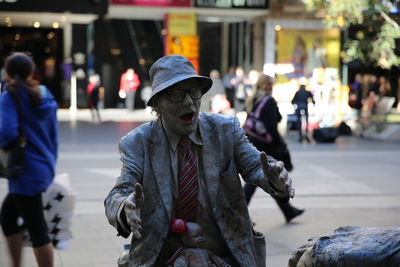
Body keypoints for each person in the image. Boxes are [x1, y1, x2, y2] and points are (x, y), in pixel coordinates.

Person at [104, 55, 295, 266]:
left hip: (226, 255)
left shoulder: (225, 130)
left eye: (193, 92)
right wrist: (124, 208)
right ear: (157, 104)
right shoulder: (138, 143)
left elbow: (256, 166)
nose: (188, 102)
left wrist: (275, 181)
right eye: (176, 94)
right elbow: (118, 195)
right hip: (161, 258)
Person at [0, 52, 58, 267]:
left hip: (24, 171)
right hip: (43, 166)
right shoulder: (45, 94)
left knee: (37, 228)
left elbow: (6, 134)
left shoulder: (10, 95)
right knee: (7, 216)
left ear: (8, 72)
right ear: (31, 71)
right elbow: (53, 136)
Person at [243, 74, 304, 223]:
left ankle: (288, 211)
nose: (271, 87)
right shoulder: (268, 100)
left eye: (272, 84)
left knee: (266, 178)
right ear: (263, 85)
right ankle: (239, 212)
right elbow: (272, 127)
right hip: (266, 146)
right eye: (269, 84)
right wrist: (281, 145)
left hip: (254, 142)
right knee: (260, 179)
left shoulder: (254, 99)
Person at [165, 221, 231, 267]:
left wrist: (224, 265)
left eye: (201, 235)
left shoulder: (205, 251)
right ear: (185, 239)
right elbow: (180, 262)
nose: (200, 238)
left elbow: (216, 259)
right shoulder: (186, 252)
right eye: (196, 236)